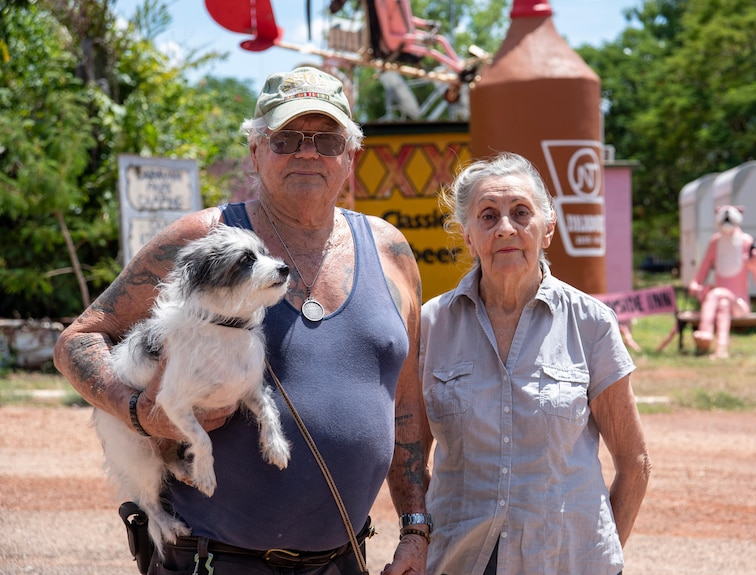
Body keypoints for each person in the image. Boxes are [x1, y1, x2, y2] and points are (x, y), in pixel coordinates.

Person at [54, 66, 430, 575]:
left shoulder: (390, 252)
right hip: (212, 561)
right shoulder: (204, 239)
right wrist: (139, 410)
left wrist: (414, 526)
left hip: (343, 560)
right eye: (286, 138)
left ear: (351, 155)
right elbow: (81, 338)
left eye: (325, 138)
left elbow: (406, 404)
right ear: (255, 150)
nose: (306, 151)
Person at [418, 152, 651, 575]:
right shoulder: (431, 323)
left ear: (547, 229)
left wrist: (598, 557)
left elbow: (634, 462)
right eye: (487, 216)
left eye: (521, 213)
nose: (506, 227)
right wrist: (423, 535)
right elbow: (410, 457)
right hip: (460, 561)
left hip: (567, 561)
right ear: (468, 237)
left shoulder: (591, 323)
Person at [688, 205, 756, 359]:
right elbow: (700, 274)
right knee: (722, 303)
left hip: (740, 304)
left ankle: (705, 332)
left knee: (718, 293)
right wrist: (696, 287)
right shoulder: (715, 242)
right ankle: (721, 350)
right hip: (720, 304)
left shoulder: (746, 241)